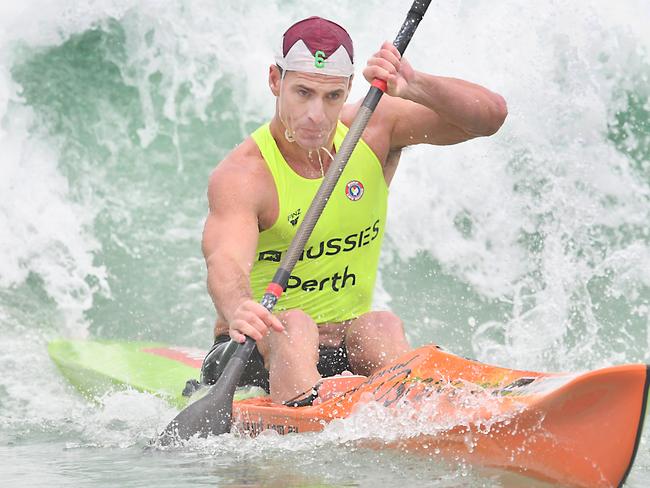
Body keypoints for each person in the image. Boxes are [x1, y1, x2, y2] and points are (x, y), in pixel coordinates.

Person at [201, 16, 507, 405]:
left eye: (332, 96)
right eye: (303, 92)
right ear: (275, 81)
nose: (316, 114)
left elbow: (490, 117)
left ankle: (415, 413)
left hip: (343, 350)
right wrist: (239, 306)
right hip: (252, 354)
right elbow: (224, 261)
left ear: (348, 89)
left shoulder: (373, 130)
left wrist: (415, 86)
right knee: (294, 324)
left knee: (381, 324)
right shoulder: (245, 175)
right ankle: (306, 420)